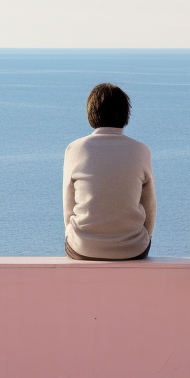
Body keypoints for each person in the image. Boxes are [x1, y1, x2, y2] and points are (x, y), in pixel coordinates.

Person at [63, 82, 156, 261]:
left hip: (83, 248)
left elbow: (68, 203)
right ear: (125, 114)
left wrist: (70, 233)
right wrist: (146, 238)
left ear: (91, 113)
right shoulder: (141, 150)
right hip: (133, 249)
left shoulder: (74, 149)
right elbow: (149, 203)